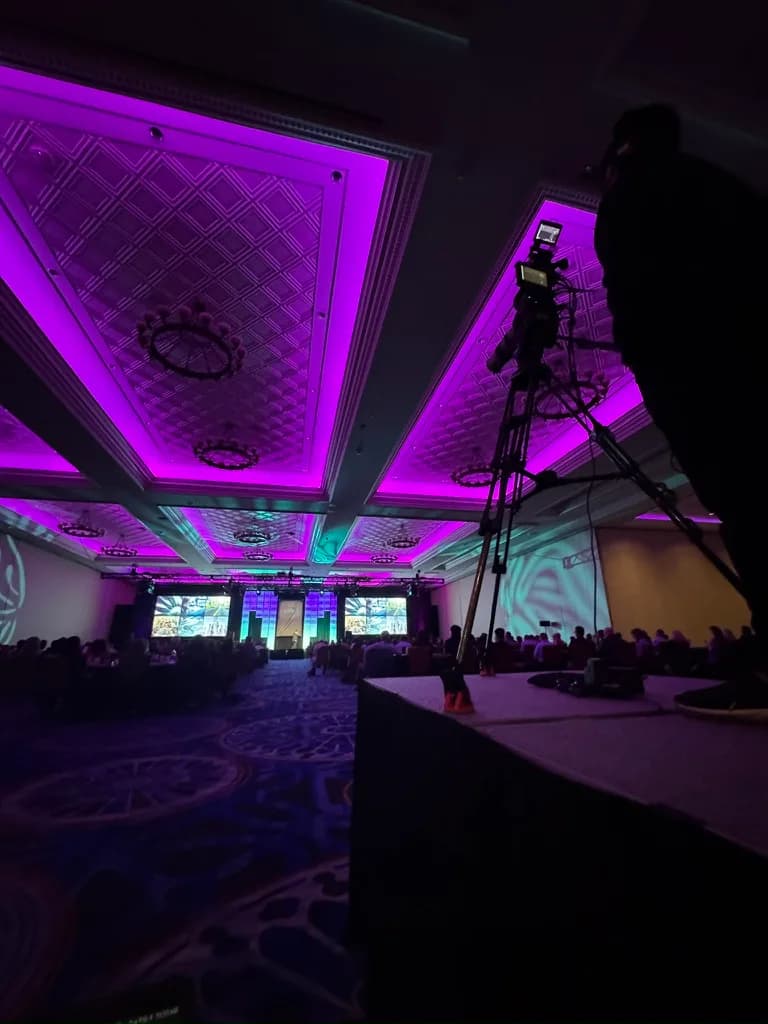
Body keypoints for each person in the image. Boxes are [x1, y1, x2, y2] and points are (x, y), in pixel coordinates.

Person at [595, 104, 767, 717]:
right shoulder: (722, 186)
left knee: (744, 501)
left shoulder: (630, 200)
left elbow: (635, 299)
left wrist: (646, 360)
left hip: (700, 375)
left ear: (620, 153)